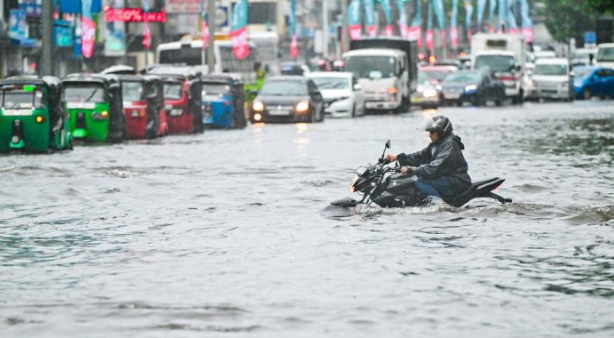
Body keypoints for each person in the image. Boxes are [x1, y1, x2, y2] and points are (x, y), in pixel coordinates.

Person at [386, 115, 471, 199]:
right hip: (446, 178)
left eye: (432, 132)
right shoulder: (436, 144)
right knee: (413, 179)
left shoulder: (450, 144)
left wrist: (412, 169)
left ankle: (438, 206)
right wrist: (397, 157)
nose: (429, 135)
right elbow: (419, 156)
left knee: (421, 182)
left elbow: (435, 166)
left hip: (457, 181)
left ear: (442, 131)